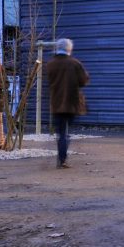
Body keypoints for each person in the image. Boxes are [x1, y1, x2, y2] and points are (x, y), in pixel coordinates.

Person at [43, 38, 90, 169]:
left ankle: (61, 158)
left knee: (61, 132)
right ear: (69, 49)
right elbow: (84, 81)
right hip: (72, 102)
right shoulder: (75, 63)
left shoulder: (50, 64)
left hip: (56, 103)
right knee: (66, 132)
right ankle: (62, 158)